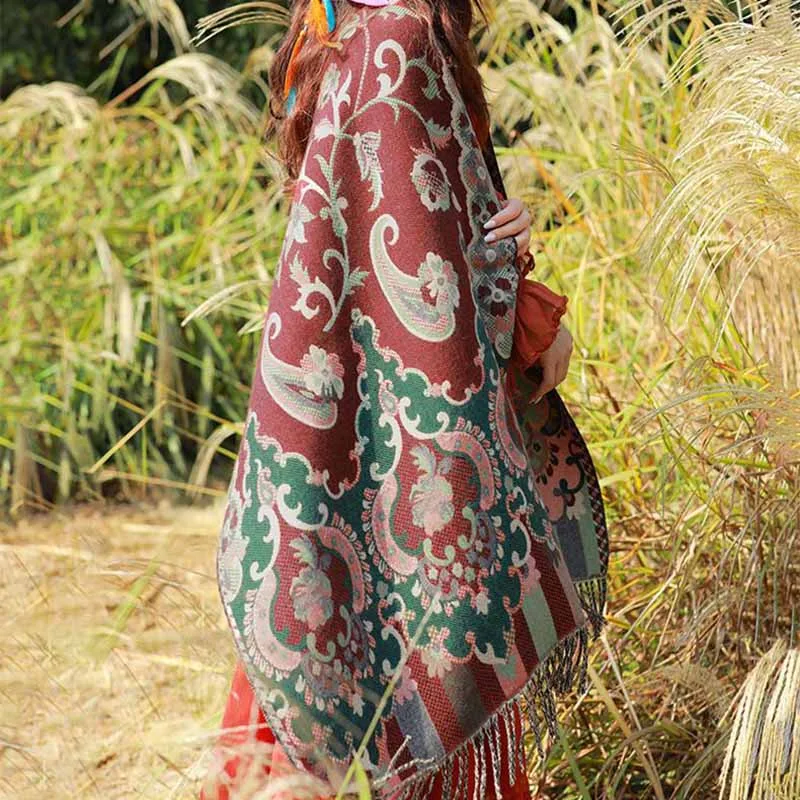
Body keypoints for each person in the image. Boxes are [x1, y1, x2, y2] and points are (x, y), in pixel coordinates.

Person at [201, 1, 609, 798]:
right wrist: (525, 311)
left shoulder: (335, 31)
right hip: (420, 456)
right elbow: (428, 275)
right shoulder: (402, 35)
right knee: (423, 666)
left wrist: (498, 240)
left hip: (338, 450)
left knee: (322, 669)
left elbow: (420, 230)